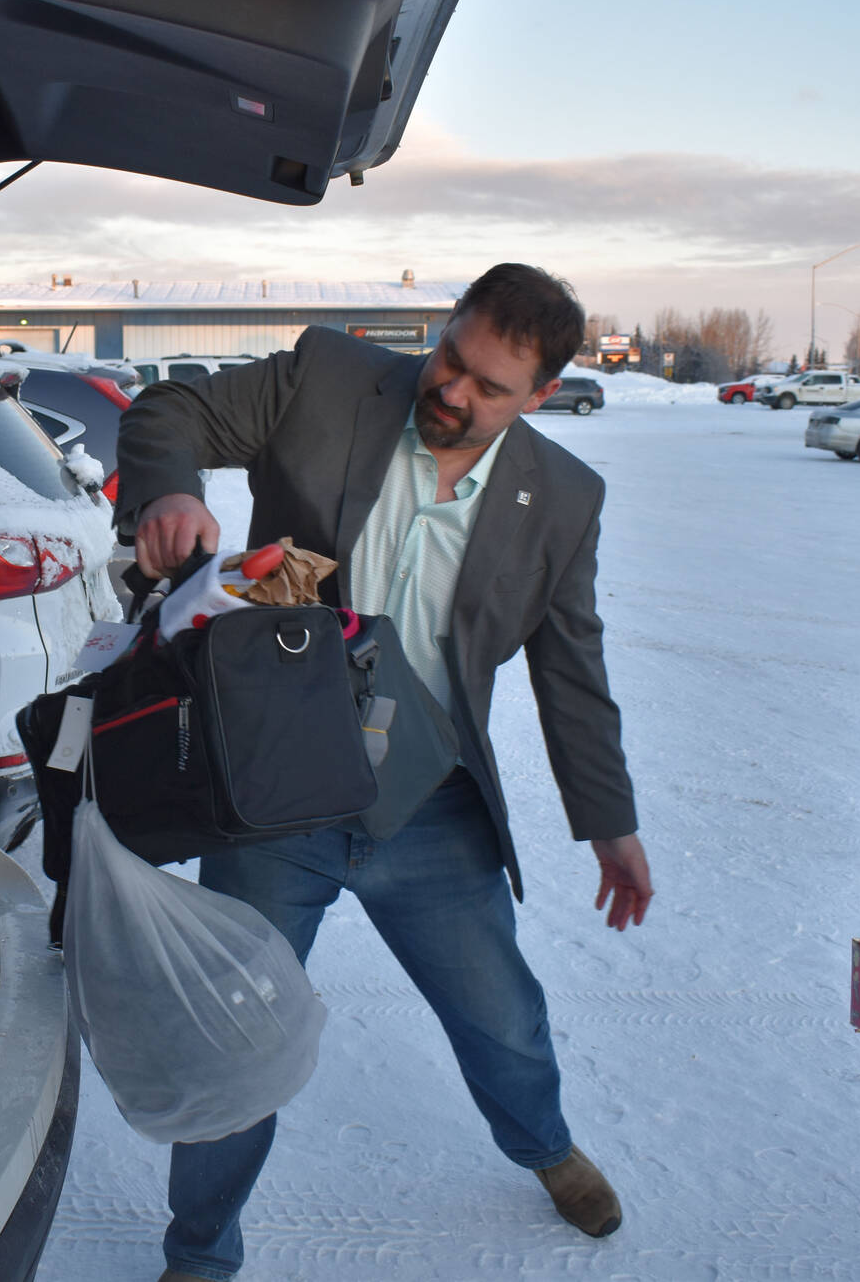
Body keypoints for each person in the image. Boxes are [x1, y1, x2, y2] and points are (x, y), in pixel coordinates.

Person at [114, 263, 653, 1282]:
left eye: (490, 386)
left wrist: (606, 821)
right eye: (451, 356)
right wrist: (173, 486)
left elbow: (570, 670)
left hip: (428, 808)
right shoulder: (329, 379)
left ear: (537, 398)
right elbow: (168, 408)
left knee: (500, 1014)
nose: (452, 390)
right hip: (274, 793)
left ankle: (541, 1146)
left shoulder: (563, 501)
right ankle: (197, 1256)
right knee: (235, 1038)